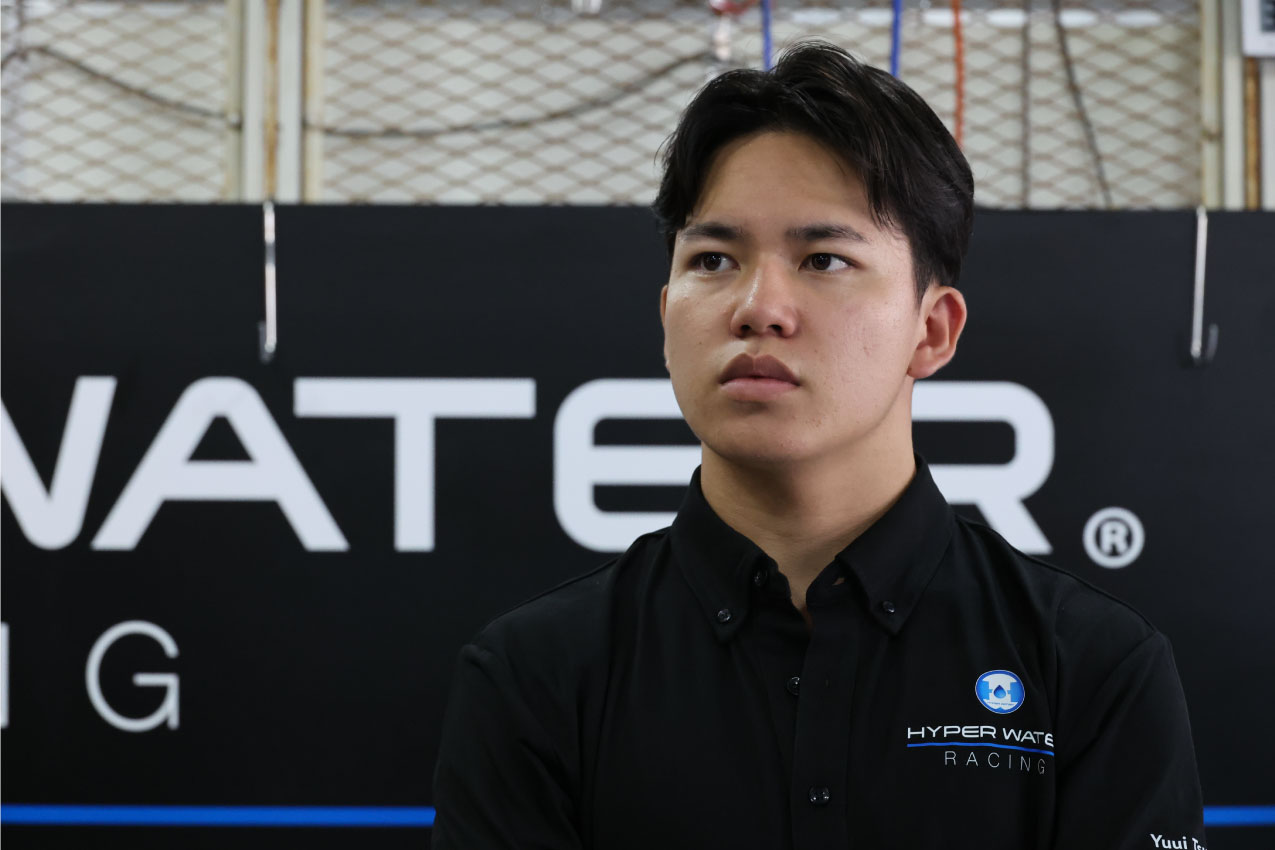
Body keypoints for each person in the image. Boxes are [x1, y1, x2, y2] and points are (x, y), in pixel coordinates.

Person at [431, 40, 1206, 849]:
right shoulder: (535, 675)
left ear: (931, 330)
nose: (757, 307)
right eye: (713, 259)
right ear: (666, 317)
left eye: (823, 259)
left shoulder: (1090, 666)